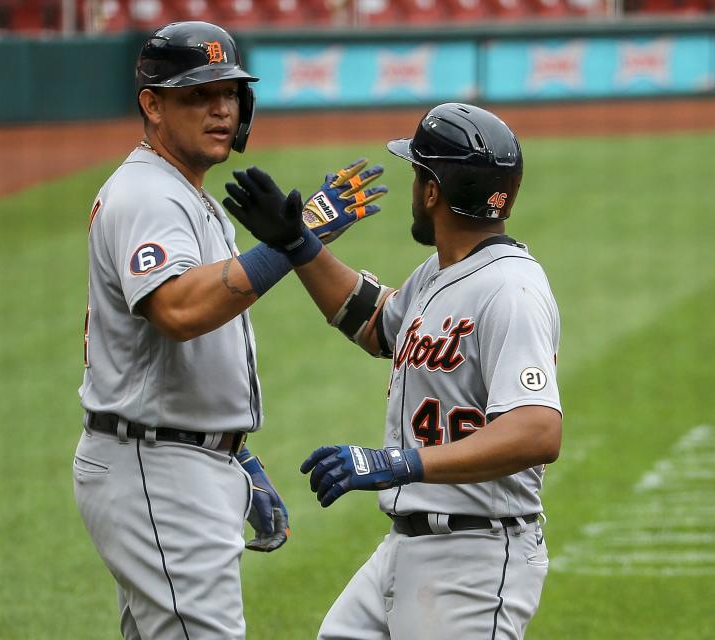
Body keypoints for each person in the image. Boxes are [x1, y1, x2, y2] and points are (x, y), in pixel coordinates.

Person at [72, 21, 386, 640]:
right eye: (198, 95)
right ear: (152, 105)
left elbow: (180, 356)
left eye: (231, 93)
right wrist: (299, 241)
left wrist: (236, 453)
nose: (222, 109)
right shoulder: (148, 197)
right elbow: (180, 311)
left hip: (171, 457)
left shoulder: (191, 198)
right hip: (156, 469)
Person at [223, 103, 563, 639]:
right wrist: (297, 245)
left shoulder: (511, 290)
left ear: (432, 192)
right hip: (407, 550)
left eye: (415, 174)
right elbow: (376, 323)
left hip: (474, 562)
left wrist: (400, 462)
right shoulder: (442, 272)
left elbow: (538, 431)